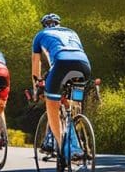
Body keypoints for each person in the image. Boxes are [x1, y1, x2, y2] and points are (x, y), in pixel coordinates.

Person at [31, 13, 90, 160]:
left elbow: (35, 64)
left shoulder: (40, 35)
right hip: (84, 66)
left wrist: (36, 87)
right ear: (59, 23)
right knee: (73, 102)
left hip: (61, 64)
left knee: (51, 106)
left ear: (45, 25)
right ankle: (78, 128)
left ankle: (62, 148)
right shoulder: (72, 32)